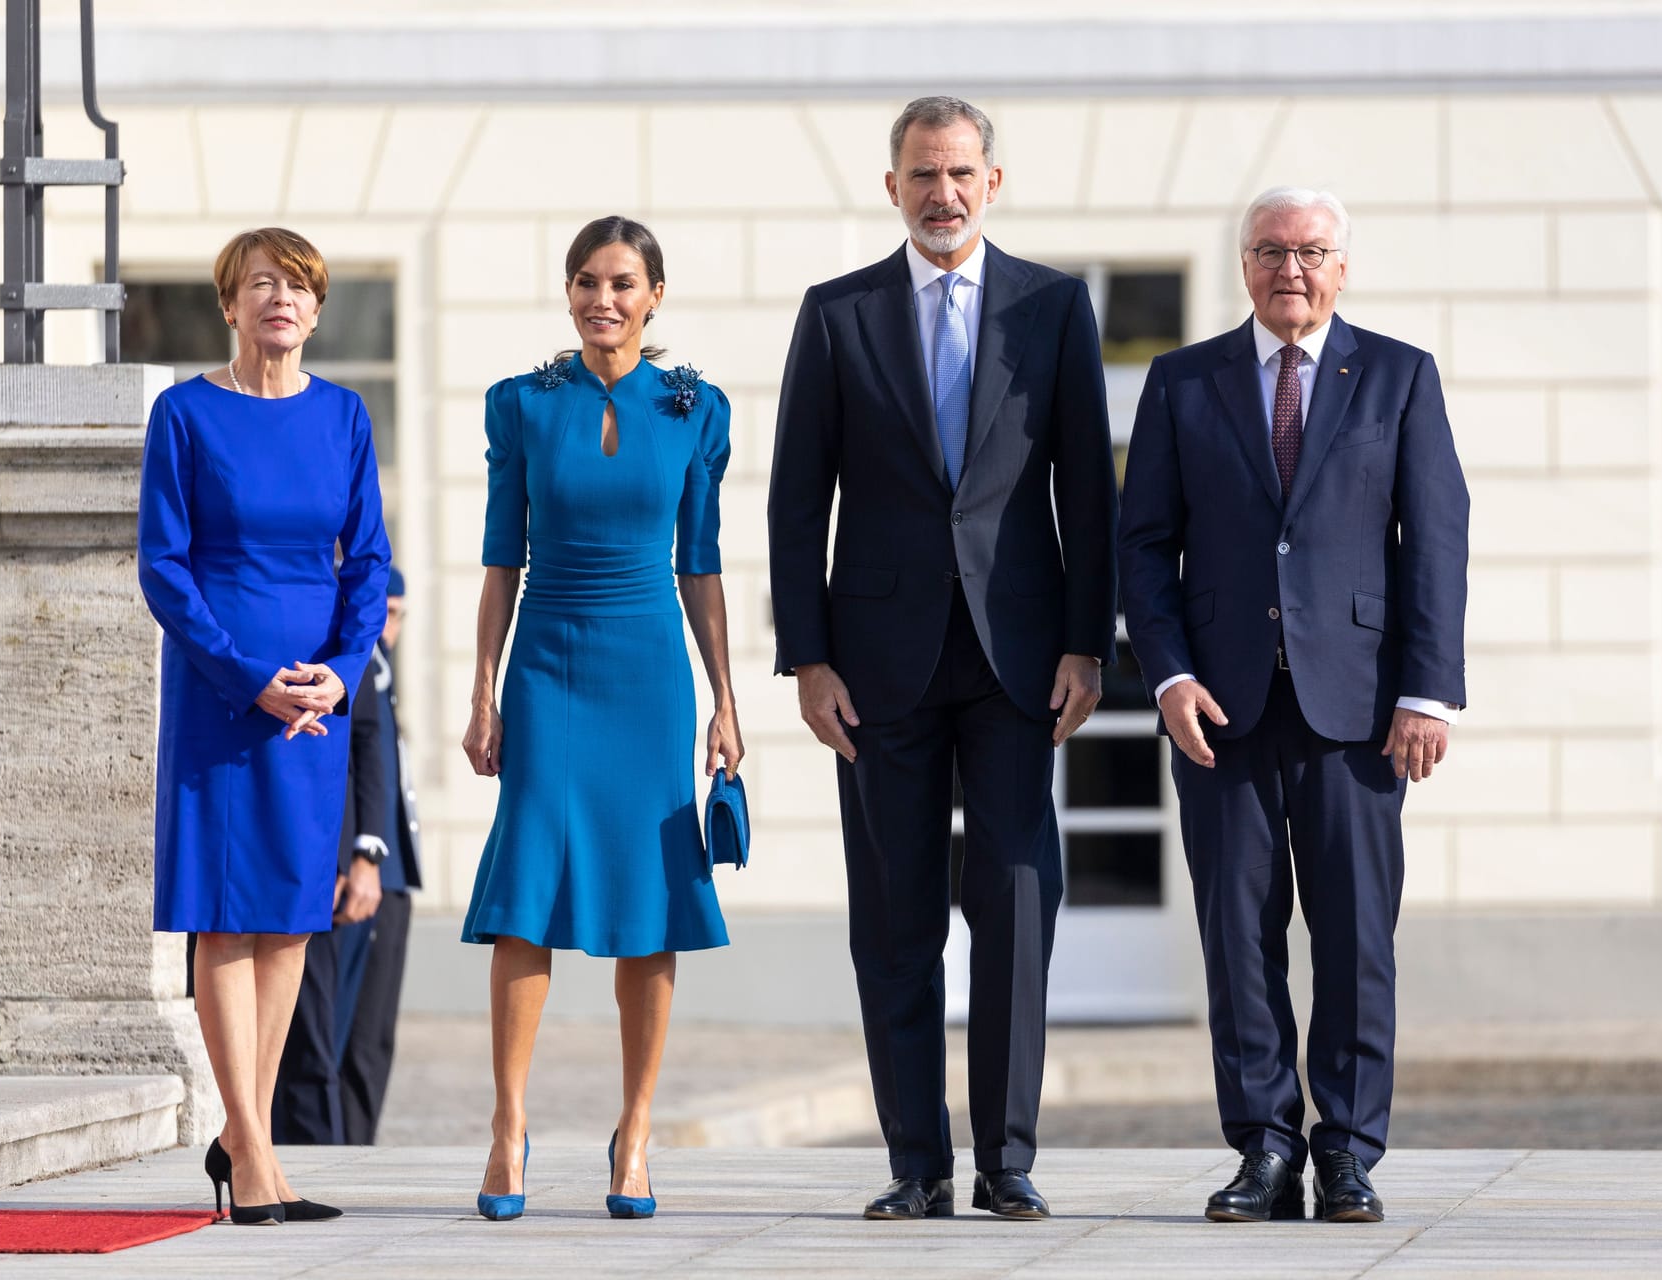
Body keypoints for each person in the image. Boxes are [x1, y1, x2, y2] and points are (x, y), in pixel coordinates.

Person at [767, 96, 1117, 1222]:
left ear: (993, 182)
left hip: (1021, 659)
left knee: (1017, 902)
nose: (942, 193)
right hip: (876, 665)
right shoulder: (837, 315)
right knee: (895, 915)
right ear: (893, 187)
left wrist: (1086, 642)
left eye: (961, 172)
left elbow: (1088, 493)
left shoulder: (1055, 309)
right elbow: (793, 501)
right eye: (922, 174)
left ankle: (1006, 1157)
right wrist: (808, 658)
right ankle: (917, 1160)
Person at [1118, 186, 1470, 1225]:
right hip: (1217, 709)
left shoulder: (1400, 376)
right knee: (1237, 932)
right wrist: (1169, 673)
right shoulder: (1183, 381)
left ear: (1344, 266)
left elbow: (1436, 539)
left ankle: (1350, 1150)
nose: (1292, 268)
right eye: (1271, 250)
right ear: (1243, 264)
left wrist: (1427, 690)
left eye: (1313, 250)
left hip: (1360, 710)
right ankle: (1264, 1144)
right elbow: (1143, 544)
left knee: (1357, 934)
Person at [460, 216, 741, 1222]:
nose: (602, 299)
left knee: (648, 898)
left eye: (623, 282)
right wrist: (483, 687)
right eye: (586, 282)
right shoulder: (522, 405)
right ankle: (507, 1123)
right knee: (526, 886)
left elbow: (699, 564)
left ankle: (636, 1129)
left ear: (655, 293)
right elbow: (503, 559)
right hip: (547, 665)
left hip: (649, 671)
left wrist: (726, 701)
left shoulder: (695, 408)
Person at [138, 226, 391, 1225]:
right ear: (229, 306)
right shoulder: (185, 413)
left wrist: (336, 674)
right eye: (259, 285)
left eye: (296, 287)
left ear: (318, 311)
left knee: (289, 916)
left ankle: (254, 1141)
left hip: (312, 713)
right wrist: (252, 678)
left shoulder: (344, 415)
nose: (278, 300)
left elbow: (368, 560)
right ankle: (247, 1150)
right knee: (226, 913)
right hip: (221, 695)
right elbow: (165, 565)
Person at [271, 568, 421, 1146]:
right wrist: (357, 856)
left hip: (376, 867)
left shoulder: (372, 664)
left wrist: (371, 854)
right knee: (321, 1032)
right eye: (386, 611)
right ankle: (323, 1147)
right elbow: (355, 759)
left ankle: (350, 1147)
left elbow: (378, 759)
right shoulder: (347, 653)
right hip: (339, 870)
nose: (390, 625)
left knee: (366, 1036)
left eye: (399, 614)